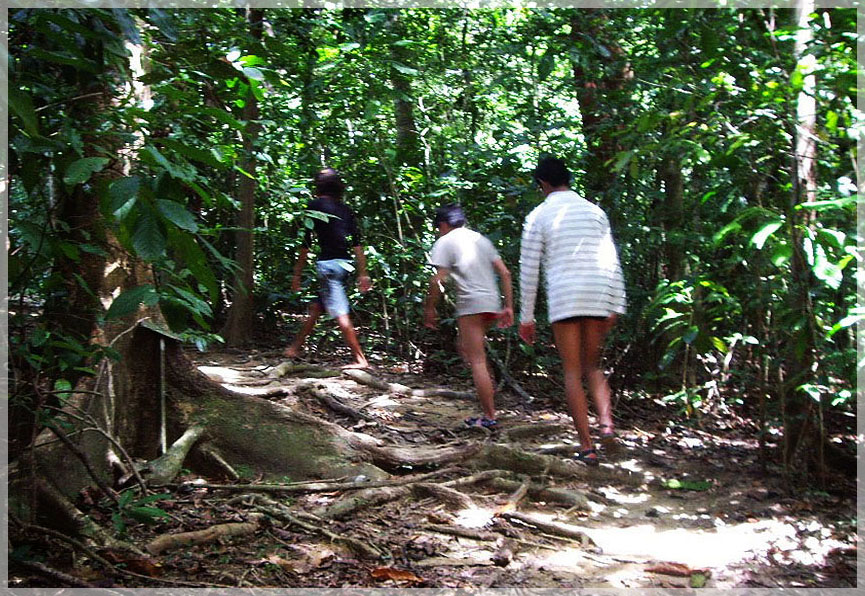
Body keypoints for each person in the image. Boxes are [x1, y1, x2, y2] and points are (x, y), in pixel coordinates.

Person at [518, 157, 626, 465]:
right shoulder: (595, 212)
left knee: (572, 371)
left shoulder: (538, 216)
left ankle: (587, 446)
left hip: (565, 298)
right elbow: (611, 257)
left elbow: (529, 270)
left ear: (543, 183)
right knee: (593, 365)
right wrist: (616, 302)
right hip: (597, 294)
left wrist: (527, 317)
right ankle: (606, 424)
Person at [424, 204, 514, 429]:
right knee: (467, 349)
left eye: (439, 227)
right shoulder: (480, 239)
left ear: (443, 225)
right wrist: (508, 306)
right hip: (491, 303)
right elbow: (505, 272)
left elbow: (437, 279)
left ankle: (490, 416)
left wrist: (430, 309)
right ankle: (489, 400)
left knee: (477, 360)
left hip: (472, 304)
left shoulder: (445, 241)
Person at [284, 168, 372, 369]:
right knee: (317, 308)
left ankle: (360, 360)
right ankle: (294, 347)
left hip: (328, 267)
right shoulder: (345, 209)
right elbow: (357, 245)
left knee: (341, 313)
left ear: (319, 185)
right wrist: (363, 273)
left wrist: (296, 275)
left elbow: (305, 244)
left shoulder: (314, 207)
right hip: (344, 265)